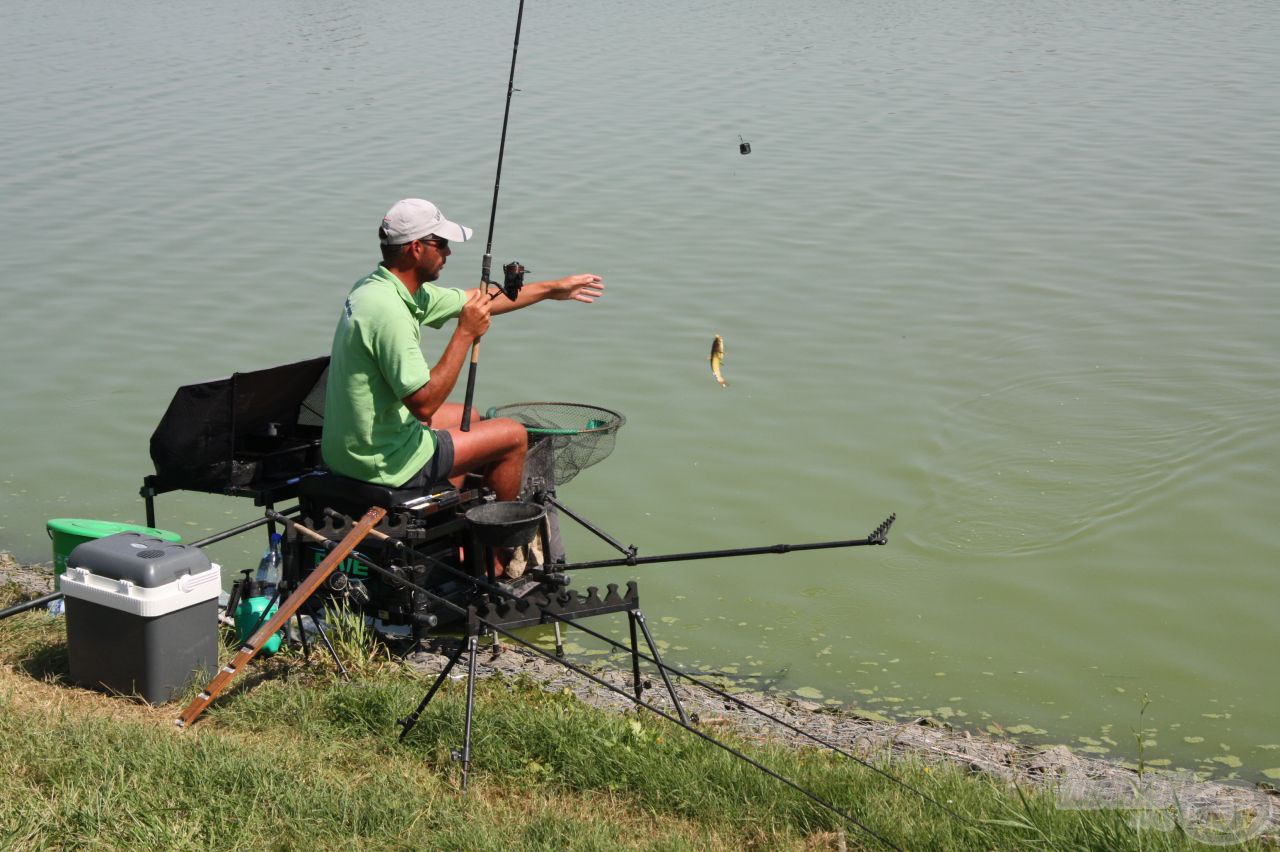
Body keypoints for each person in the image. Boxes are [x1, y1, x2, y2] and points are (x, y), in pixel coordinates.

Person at [320, 197, 603, 504]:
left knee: (471, 416)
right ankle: (500, 548)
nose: (448, 252)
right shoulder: (390, 313)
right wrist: (465, 333)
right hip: (383, 462)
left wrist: (551, 290)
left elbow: (477, 301)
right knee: (513, 435)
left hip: (350, 448)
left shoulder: (377, 288)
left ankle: (445, 506)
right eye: (441, 243)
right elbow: (424, 405)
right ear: (416, 248)